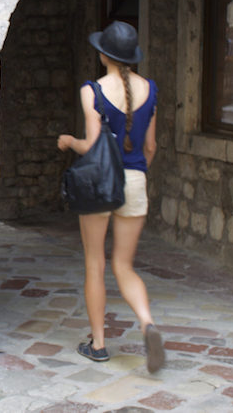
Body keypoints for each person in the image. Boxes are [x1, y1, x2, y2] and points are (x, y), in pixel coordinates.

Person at [57, 20, 165, 374]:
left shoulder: (93, 91)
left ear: (104, 55)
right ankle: (147, 323)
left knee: (95, 264)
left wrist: (69, 142)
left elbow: (91, 145)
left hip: (102, 183)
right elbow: (150, 146)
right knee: (124, 265)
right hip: (134, 181)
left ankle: (99, 344)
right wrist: (137, 173)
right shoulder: (150, 88)